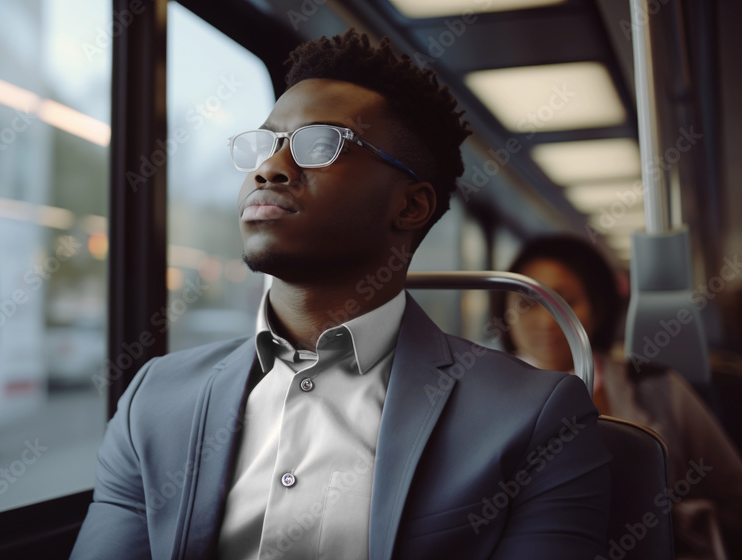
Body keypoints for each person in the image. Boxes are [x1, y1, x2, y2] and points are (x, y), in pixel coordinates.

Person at [71, 30, 611, 559]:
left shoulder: (535, 417)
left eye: (320, 145)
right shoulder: (157, 399)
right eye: (267, 144)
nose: (269, 168)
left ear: (410, 207)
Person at [492, 234, 742, 560]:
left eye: (566, 302)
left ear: (597, 309)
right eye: (527, 303)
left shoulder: (657, 387)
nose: (546, 321)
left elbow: (732, 490)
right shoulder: (487, 397)